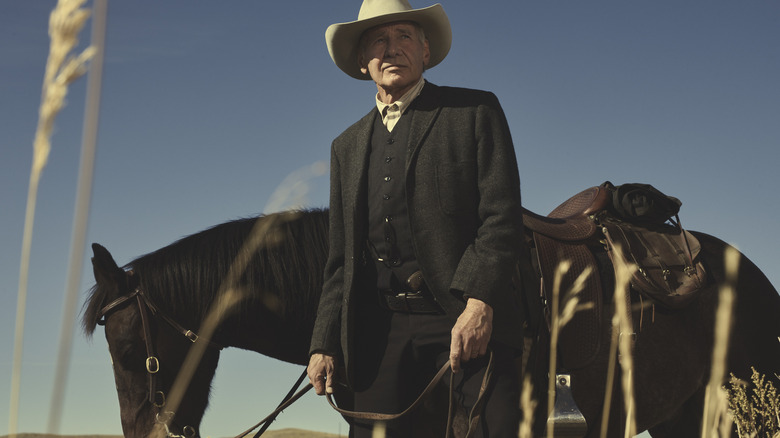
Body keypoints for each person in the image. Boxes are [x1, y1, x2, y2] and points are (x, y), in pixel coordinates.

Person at [307, 0, 525, 436]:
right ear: (362, 62)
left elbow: (501, 218)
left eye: (404, 36)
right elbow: (340, 260)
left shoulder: (475, 112)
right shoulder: (344, 147)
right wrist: (324, 342)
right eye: (378, 41)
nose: (392, 49)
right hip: (380, 329)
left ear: (425, 52)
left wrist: (479, 303)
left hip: (461, 317)